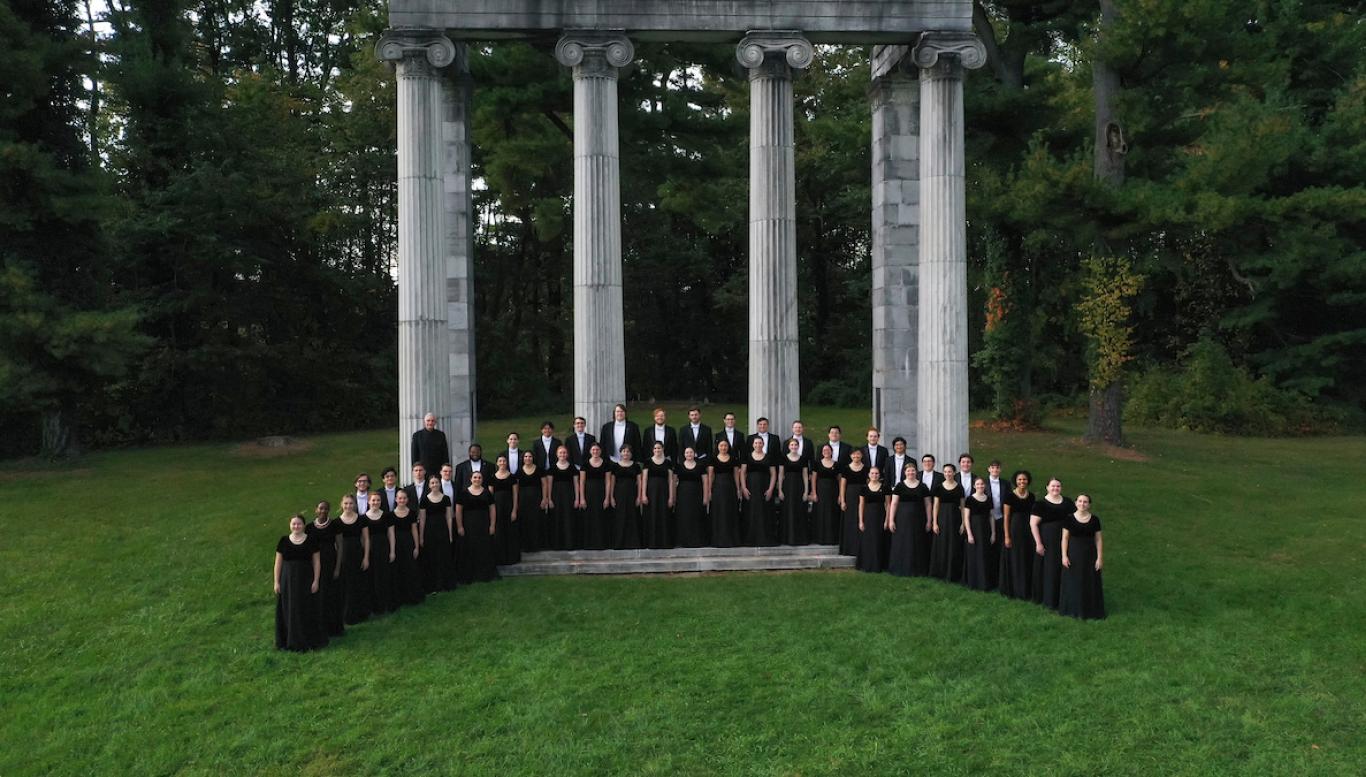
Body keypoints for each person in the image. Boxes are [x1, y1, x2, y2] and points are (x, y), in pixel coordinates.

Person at [274, 514, 324, 651]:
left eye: (299, 524)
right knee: (289, 608)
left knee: (305, 608)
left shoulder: (311, 540)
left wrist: (316, 580)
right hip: (287, 581)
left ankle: (307, 638)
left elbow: (317, 562)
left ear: (303, 525)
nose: (296, 526)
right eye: (294, 524)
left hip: (305, 580)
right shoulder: (283, 541)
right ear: (290, 525)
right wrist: (276, 582)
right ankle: (289, 639)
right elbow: (278, 564)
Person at [1030, 478, 1075, 610]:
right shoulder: (1040, 504)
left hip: (1065, 539)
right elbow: (1033, 524)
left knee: (1063, 567)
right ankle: (1049, 599)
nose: (1055, 488)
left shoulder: (1067, 502)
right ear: (1047, 487)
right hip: (1048, 541)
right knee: (1050, 569)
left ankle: (1063, 597)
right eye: (1053, 486)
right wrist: (1038, 543)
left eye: (1058, 486)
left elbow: (1073, 519)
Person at [1059, 493, 1105, 620]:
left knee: (1089, 581)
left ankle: (1090, 610)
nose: (1082, 504)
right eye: (1080, 501)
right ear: (1075, 503)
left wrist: (1099, 557)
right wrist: (1064, 555)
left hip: (1090, 555)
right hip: (1073, 554)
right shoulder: (1068, 519)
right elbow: (1065, 538)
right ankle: (1073, 609)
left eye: (1085, 502)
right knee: (1074, 581)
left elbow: (1098, 540)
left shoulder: (1095, 520)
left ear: (1089, 505)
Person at [305, 500, 344, 638]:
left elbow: (340, 547)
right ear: (316, 509)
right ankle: (318, 627)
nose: (323, 511)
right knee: (318, 596)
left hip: (330, 563)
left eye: (326, 509)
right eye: (320, 508)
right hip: (315, 564)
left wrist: (338, 568)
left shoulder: (335, 525)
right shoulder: (309, 528)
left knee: (331, 595)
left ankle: (333, 627)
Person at [887, 463, 932, 577]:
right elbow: (894, 503)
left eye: (913, 471)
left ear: (916, 472)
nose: (910, 473)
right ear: (904, 472)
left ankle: (918, 569)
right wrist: (891, 520)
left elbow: (927, 504)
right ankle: (901, 568)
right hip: (902, 520)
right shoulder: (899, 486)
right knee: (903, 543)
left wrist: (929, 520)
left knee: (918, 543)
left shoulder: (923, 486)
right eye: (908, 471)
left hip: (919, 520)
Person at [456, 471, 499, 583]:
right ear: (470, 479)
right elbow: (458, 511)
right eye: (475, 477)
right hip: (468, 526)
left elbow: (492, 509)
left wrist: (492, 525)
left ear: (482, 479)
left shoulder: (487, 493)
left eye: (479, 477)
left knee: (484, 549)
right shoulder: (464, 493)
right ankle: (470, 575)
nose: (477, 479)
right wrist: (460, 526)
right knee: (469, 549)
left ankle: (484, 574)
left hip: (484, 525)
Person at [999, 469, 1036, 600]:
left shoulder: (1031, 496)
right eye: (1020, 479)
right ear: (1015, 481)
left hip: (1028, 530)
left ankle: (1026, 587)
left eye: (1024, 479)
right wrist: (1007, 536)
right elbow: (1006, 516)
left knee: (1026, 556)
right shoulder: (1009, 496)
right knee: (1015, 557)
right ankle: (1014, 588)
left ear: (1028, 481)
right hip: (1014, 529)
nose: (1022, 481)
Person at [335, 495, 370, 625]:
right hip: (345, 555)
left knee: (359, 583)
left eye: (350, 503)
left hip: (358, 554)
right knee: (346, 585)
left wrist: (366, 557)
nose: (348, 506)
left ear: (354, 505)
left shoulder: (361, 519)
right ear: (341, 505)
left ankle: (361, 612)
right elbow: (337, 543)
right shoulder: (337, 522)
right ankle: (347, 614)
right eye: (346, 503)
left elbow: (366, 539)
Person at [418, 475, 456, 593]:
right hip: (429, 531)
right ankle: (432, 585)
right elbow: (422, 519)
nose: (435, 485)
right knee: (431, 557)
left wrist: (450, 534)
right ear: (429, 485)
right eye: (432, 483)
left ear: (440, 484)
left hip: (443, 530)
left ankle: (444, 584)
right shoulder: (424, 500)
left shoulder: (446, 499)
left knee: (443, 557)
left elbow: (449, 517)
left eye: (436, 482)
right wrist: (421, 536)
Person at [929, 464, 965, 581]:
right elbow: (935, 506)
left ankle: (953, 572)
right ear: (943, 473)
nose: (948, 474)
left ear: (954, 473)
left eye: (950, 471)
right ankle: (941, 572)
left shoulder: (960, 487)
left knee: (954, 545)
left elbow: (963, 506)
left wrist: (963, 523)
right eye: (945, 472)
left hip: (955, 518)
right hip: (942, 518)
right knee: (942, 544)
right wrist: (934, 522)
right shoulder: (938, 487)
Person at [389, 490, 424, 607]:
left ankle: (412, 596)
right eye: (400, 498)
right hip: (397, 544)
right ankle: (400, 597)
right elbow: (392, 533)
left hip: (409, 543)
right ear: (396, 499)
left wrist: (416, 546)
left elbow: (414, 530)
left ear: (407, 500)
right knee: (399, 569)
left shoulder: (412, 513)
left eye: (404, 498)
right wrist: (392, 551)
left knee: (411, 569)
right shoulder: (391, 514)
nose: (402, 500)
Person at [961, 477, 997, 590]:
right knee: (974, 555)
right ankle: (974, 582)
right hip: (974, 530)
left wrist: (993, 533)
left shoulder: (989, 499)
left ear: (985, 486)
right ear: (974, 486)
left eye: (982, 484)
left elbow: (991, 516)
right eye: (978, 484)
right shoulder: (970, 500)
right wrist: (969, 534)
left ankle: (985, 581)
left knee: (985, 555)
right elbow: (966, 518)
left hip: (985, 529)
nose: (980, 486)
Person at [363, 493, 396, 615]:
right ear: (368, 502)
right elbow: (365, 538)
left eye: (378, 500)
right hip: (371, 549)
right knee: (373, 577)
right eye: (373, 500)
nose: (375, 502)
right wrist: (366, 556)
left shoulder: (387, 515)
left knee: (385, 576)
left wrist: (392, 551)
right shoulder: (364, 518)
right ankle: (375, 606)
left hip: (384, 548)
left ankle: (387, 604)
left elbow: (391, 534)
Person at [544, 445, 581, 550]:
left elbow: (576, 484)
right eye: (560, 453)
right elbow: (549, 484)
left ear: (567, 454)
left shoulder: (572, 468)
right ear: (557, 454)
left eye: (564, 453)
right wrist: (549, 498)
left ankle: (569, 544)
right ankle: (557, 544)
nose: (562, 455)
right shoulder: (552, 468)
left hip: (569, 496)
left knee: (568, 519)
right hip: (556, 496)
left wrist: (577, 498)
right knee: (557, 519)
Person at [741, 434, 776, 546]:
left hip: (764, 488)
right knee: (751, 512)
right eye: (756, 443)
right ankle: (751, 539)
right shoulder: (747, 456)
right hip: (750, 488)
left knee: (764, 512)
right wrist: (744, 488)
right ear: (752, 444)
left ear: (763, 444)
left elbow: (773, 474)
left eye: (760, 443)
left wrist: (771, 489)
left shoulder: (769, 456)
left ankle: (764, 538)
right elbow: (742, 473)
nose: (758, 445)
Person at [707, 439, 742, 547]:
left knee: (729, 512)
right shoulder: (713, 459)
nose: (723, 448)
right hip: (718, 488)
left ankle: (731, 539)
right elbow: (711, 475)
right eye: (721, 445)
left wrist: (738, 489)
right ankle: (718, 540)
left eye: (725, 445)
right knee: (719, 512)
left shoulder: (733, 459)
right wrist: (709, 490)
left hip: (730, 488)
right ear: (718, 447)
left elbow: (736, 475)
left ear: (728, 447)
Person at [641, 441, 675, 548]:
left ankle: (664, 542)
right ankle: (651, 542)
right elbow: (644, 479)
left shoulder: (668, 463)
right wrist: (643, 494)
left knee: (664, 516)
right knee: (652, 516)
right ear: (652, 450)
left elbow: (670, 480)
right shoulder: (648, 462)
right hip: (651, 493)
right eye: (655, 448)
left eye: (659, 448)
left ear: (663, 449)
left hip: (664, 492)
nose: (657, 450)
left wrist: (671, 497)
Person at [608, 444, 643, 549]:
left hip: (632, 494)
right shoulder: (615, 466)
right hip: (619, 495)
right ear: (620, 453)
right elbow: (612, 482)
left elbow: (639, 482)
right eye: (623, 451)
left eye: (628, 451)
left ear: (631, 453)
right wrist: (611, 497)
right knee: (620, 518)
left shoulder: (636, 466)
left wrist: (639, 496)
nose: (626, 453)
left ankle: (633, 543)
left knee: (633, 517)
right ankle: (619, 543)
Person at [776, 437, 809, 545]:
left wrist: (806, 491)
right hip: (787, 487)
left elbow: (805, 475)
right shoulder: (783, 458)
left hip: (799, 487)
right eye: (792, 445)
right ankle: (787, 538)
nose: (794, 447)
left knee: (799, 511)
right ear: (788, 447)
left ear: (798, 446)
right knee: (787, 511)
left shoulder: (803, 458)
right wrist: (780, 490)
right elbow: (780, 475)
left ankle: (799, 538)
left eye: (795, 445)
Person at [579, 443, 612, 550]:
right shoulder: (585, 464)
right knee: (589, 518)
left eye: (597, 449)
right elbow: (582, 482)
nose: (595, 451)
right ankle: (589, 543)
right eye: (593, 450)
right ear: (590, 451)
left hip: (601, 494)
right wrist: (582, 498)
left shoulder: (606, 464)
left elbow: (608, 482)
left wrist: (607, 498)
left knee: (601, 518)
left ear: (600, 451)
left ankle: (602, 543)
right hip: (588, 494)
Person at [673, 447, 708, 547]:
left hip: (697, 495)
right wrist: (674, 497)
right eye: (687, 452)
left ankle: (697, 540)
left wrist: (705, 497)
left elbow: (705, 482)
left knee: (696, 517)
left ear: (694, 454)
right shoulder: (679, 467)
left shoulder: (700, 466)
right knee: (684, 517)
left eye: (691, 452)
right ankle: (683, 541)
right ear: (684, 454)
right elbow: (673, 482)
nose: (689, 454)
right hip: (683, 496)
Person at [857, 467, 889, 573]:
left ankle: (879, 564)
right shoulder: (864, 488)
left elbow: (888, 504)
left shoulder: (885, 488)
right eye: (872, 473)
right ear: (869, 475)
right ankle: (867, 564)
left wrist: (887, 520)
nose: (874, 475)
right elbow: (861, 505)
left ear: (879, 475)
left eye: (876, 473)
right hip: (868, 517)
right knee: (868, 541)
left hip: (880, 516)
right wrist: (861, 521)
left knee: (879, 540)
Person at [489, 455, 520, 565]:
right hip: (497, 508)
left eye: (504, 461)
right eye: (500, 461)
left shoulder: (512, 477)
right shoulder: (492, 477)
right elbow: (490, 496)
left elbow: (515, 495)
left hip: (509, 507)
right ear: (497, 463)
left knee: (510, 532)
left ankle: (511, 558)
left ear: (506, 463)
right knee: (499, 532)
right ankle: (499, 558)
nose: (502, 463)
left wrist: (514, 510)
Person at [838, 448, 869, 556]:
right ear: (851, 456)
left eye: (858, 454)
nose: (856, 456)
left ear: (861, 455)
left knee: (861, 520)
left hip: (862, 497)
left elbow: (868, 485)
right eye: (854, 454)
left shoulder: (866, 469)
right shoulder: (846, 469)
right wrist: (842, 500)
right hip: (849, 497)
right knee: (849, 522)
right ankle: (849, 548)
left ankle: (860, 548)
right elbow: (842, 486)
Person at [810, 444, 842, 545]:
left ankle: (831, 538)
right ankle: (819, 538)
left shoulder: (837, 464)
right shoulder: (817, 463)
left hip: (833, 492)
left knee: (832, 514)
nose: (826, 451)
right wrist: (814, 492)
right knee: (820, 513)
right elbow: (814, 479)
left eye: (828, 450)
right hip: (820, 492)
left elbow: (840, 480)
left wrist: (840, 495)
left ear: (831, 451)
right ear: (821, 452)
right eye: (824, 450)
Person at [516, 451, 545, 553]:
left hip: (536, 499)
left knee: (536, 521)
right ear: (523, 458)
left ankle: (536, 545)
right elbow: (517, 488)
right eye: (526, 456)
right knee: (525, 521)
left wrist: (544, 498)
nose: (528, 458)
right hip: (523, 500)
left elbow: (544, 485)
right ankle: (526, 546)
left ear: (533, 458)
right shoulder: (519, 471)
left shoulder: (539, 470)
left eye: (530, 456)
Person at [985, 460, 1006, 591]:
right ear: (989, 469)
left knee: (999, 547)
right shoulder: (982, 483)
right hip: (986, 519)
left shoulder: (1005, 484)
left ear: (1000, 470)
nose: (995, 470)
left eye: (997, 468)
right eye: (993, 468)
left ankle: (1000, 577)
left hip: (1001, 518)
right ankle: (989, 577)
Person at [411, 412, 451, 478]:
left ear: (435, 422)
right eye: (428, 421)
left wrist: (444, 469)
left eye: (432, 421)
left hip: (437, 469)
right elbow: (414, 454)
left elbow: (445, 454)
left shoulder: (441, 435)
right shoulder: (417, 436)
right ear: (424, 422)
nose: (430, 423)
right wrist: (416, 469)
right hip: (423, 469)